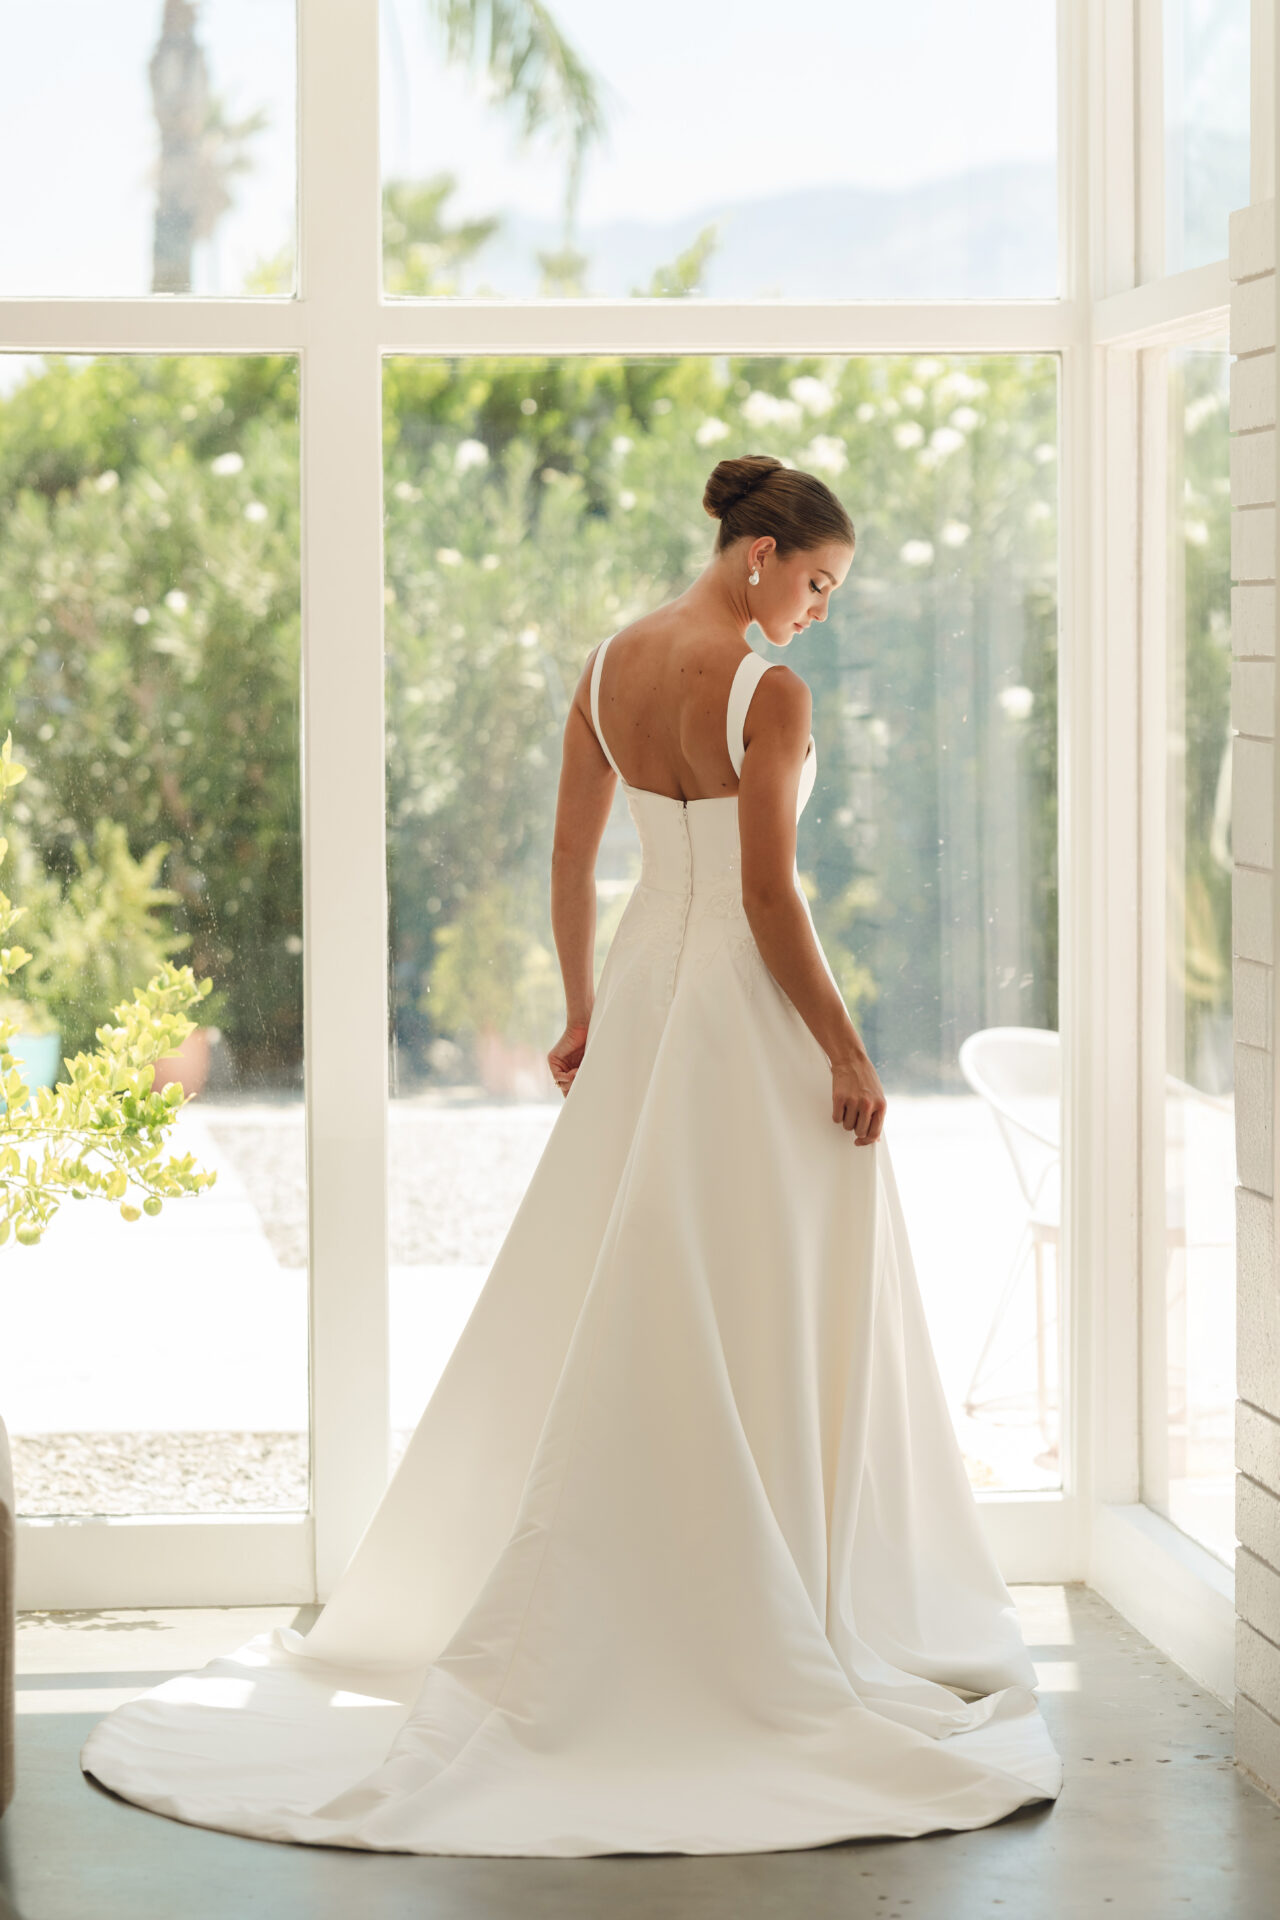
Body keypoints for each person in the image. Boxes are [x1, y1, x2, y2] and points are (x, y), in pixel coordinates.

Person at [81, 453, 1063, 1856]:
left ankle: (693, 1565)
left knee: (638, 1268)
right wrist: (844, 1046)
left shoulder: (608, 666)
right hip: (744, 1014)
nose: (818, 616)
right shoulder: (765, 692)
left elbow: (567, 853)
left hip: (650, 991)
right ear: (759, 553)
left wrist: (584, 1003)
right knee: (759, 1277)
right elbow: (771, 892)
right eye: (820, 584)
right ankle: (773, 1586)